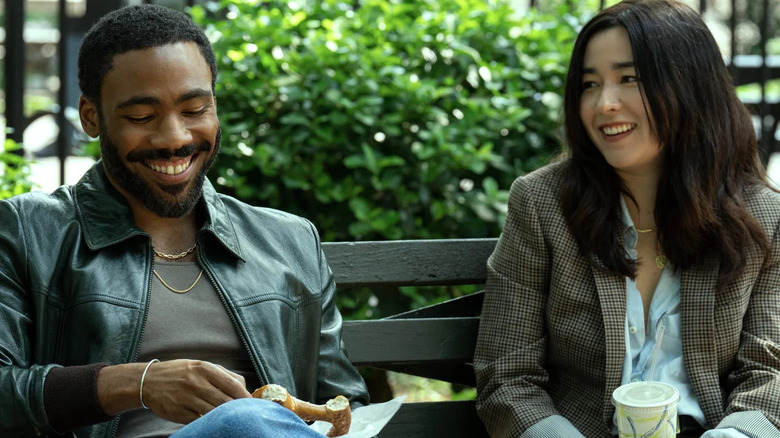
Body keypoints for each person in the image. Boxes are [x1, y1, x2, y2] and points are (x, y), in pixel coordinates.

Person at [0, 4, 369, 438]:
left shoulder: (289, 242)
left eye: (194, 109)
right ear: (91, 116)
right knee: (245, 421)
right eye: (142, 117)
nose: (175, 138)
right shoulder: (27, 232)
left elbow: (344, 406)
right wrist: (136, 384)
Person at [474, 1, 780, 437]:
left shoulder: (763, 216)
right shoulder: (543, 204)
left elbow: (771, 374)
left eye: (629, 78)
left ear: (689, 85)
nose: (605, 103)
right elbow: (506, 373)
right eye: (589, 84)